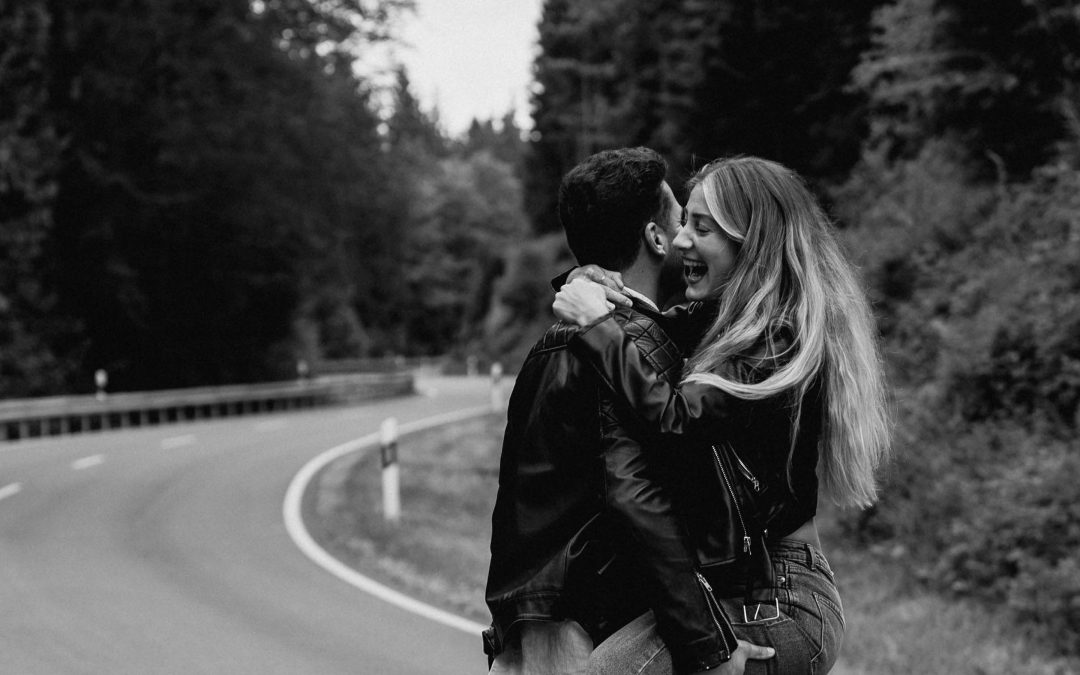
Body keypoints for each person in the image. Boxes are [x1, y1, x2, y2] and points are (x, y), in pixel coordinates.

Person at [553, 156, 891, 674]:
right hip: (735, 590)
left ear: (751, 243)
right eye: (684, 222)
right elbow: (641, 328)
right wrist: (591, 278)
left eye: (702, 227)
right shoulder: (715, 324)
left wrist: (598, 326)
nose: (681, 239)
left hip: (780, 597)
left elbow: (676, 421)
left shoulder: (775, 341)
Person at [484, 148, 775, 674]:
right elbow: (640, 499)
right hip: (590, 632)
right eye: (682, 222)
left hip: (524, 634)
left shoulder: (547, 347)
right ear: (656, 238)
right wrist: (708, 647)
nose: (686, 239)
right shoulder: (632, 344)